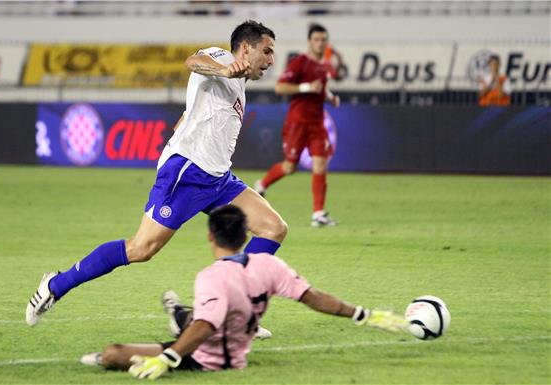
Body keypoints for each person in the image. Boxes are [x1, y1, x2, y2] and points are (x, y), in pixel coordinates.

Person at [26, 20, 288, 327]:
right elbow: (194, 62)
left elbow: (197, 110)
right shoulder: (222, 58)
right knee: (141, 248)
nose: (271, 61)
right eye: (267, 51)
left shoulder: (239, 85)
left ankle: (235, 314)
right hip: (187, 173)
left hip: (219, 179)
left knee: (273, 228)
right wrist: (225, 70)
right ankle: (55, 285)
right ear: (246, 48)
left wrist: (188, 118)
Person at [79, 205, 408, 379]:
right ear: (243, 234)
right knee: (197, 315)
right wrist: (364, 314)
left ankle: (172, 318)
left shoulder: (212, 277)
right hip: (236, 350)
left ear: (211, 235)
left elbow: (205, 328)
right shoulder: (269, 265)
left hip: (204, 359)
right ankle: (176, 311)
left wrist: (168, 358)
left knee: (113, 353)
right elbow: (313, 296)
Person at [254, 23, 341, 227]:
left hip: (317, 123)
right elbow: (280, 87)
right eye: (317, 40)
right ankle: (262, 184)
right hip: (298, 122)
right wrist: (306, 86)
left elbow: (320, 89)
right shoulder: (299, 63)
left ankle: (318, 214)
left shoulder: (324, 66)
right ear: (310, 42)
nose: (320, 43)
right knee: (290, 166)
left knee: (321, 164)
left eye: (323, 40)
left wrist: (330, 97)